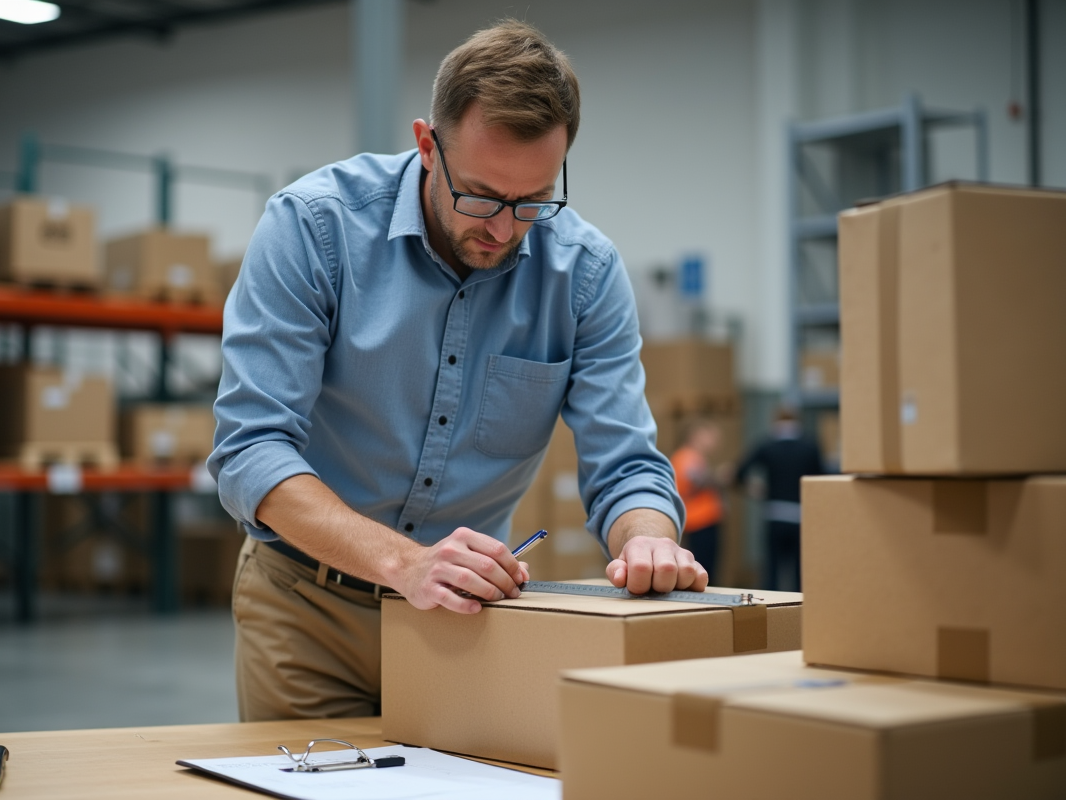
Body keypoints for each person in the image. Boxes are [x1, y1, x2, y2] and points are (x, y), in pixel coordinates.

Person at [209, 20, 703, 723]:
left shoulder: (585, 275)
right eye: (480, 196)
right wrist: (403, 562)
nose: (502, 229)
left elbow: (626, 467)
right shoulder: (314, 229)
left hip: (465, 615)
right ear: (426, 146)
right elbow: (251, 450)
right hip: (307, 605)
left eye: (531, 201)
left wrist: (648, 536)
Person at [734, 406, 825, 591]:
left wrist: (757, 490)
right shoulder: (810, 446)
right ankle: (801, 613)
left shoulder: (767, 445)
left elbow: (739, 473)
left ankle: (773, 613)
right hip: (800, 516)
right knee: (801, 572)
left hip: (774, 513)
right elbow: (820, 479)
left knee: (772, 571)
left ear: (775, 421)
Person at [669, 420, 727, 581]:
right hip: (699, 522)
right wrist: (720, 477)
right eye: (709, 436)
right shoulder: (687, 456)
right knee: (705, 570)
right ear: (695, 436)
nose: (714, 441)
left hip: (704, 521)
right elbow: (695, 479)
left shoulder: (694, 457)